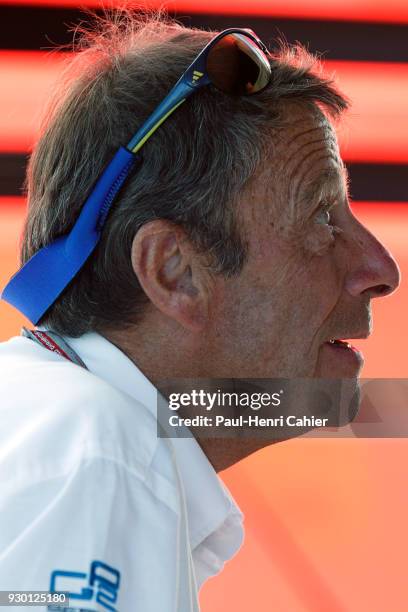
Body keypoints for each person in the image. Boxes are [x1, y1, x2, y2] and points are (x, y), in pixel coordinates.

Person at [0, 12, 400, 612]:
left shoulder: (61, 425)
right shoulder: (102, 452)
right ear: (175, 272)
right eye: (321, 215)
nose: (380, 269)